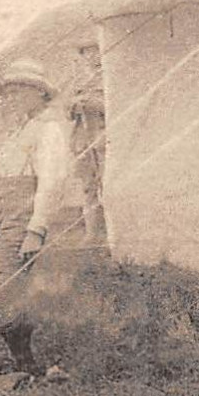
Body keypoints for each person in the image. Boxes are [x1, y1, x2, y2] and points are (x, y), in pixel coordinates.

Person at [0, 57, 73, 375]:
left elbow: (52, 182)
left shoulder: (49, 130)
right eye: (10, 91)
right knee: (4, 292)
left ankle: (35, 361)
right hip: (2, 217)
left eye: (21, 90)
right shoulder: (20, 130)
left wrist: (37, 229)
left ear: (40, 93)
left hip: (22, 220)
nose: (13, 97)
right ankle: (28, 364)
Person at [69, 42, 108, 244]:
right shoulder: (80, 80)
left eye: (95, 51)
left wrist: (96, 104)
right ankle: (91, 233)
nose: (92, 57)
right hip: (83, 140)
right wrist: (76, 105)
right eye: (87, 53)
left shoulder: (112, 76)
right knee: (88, 187)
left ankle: (112, 231)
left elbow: (116, 107)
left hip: (104, 139)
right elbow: (67, 111)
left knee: (107, 184)